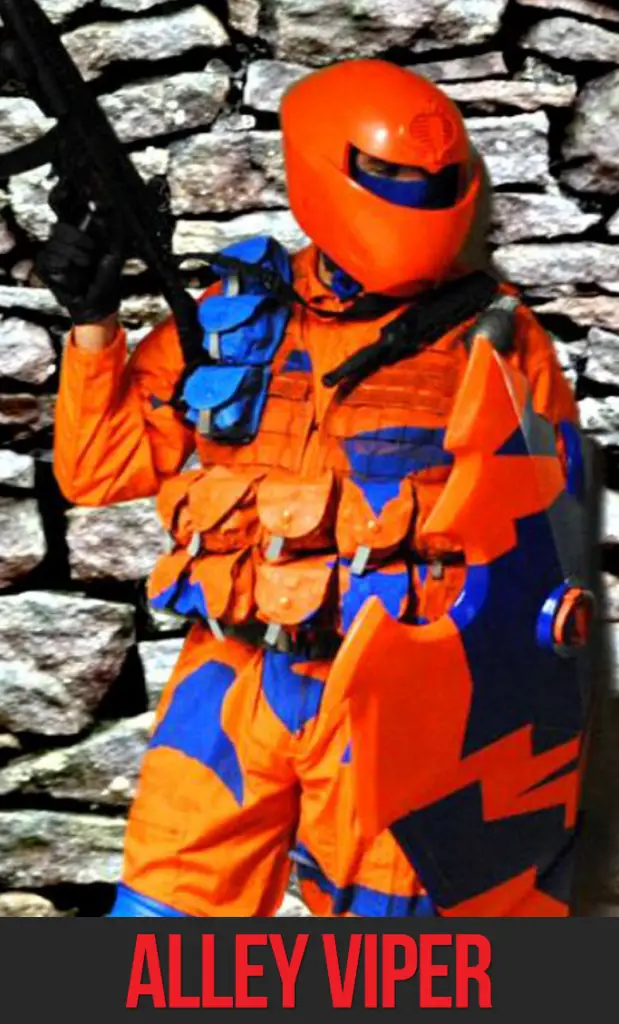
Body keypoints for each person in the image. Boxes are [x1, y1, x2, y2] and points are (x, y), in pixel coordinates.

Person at [42, 59, 583, 917]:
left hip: (393, 695)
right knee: (161, 921)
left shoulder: (495, 337)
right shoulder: (231, 318)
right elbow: (100, 469)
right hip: (232, 676)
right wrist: (93, 326)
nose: (414, 198)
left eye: (431, 181)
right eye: (391, 177)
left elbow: (540, 555)